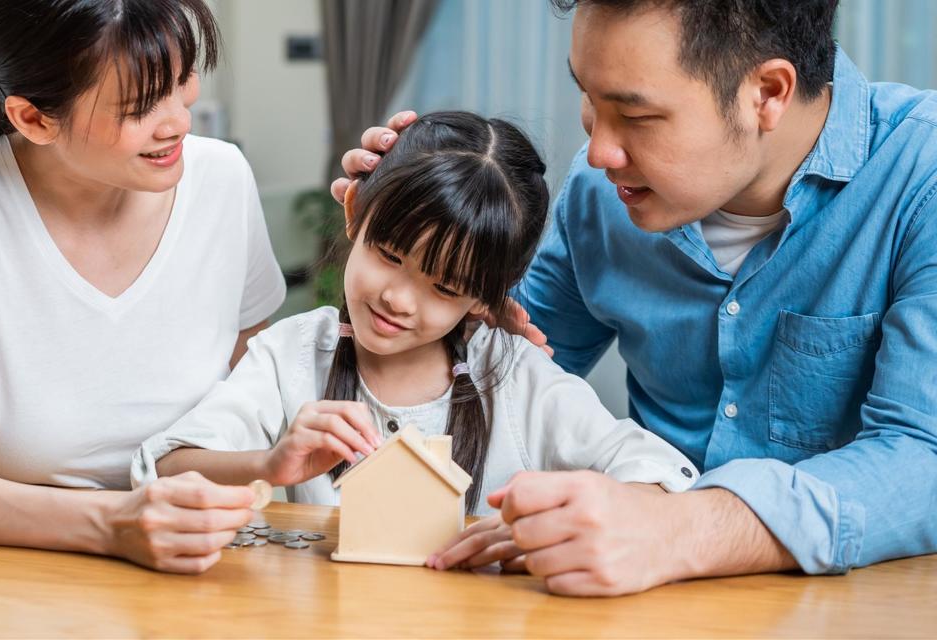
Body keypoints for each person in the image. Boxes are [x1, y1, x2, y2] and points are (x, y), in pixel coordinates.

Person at [333, 0, 937, 596]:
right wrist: (408, 239)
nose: (598, 153)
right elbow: (496, 370)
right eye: (590, 101)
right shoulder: (604, 194)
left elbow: (923, 459)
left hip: (856, 605)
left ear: (769, 93)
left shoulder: (921, 176)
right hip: (628, 602)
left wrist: (679, 528)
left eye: (635, 115)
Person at [130, 113, 699, 572]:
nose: (399, 298)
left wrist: (558, 522)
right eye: (389, 255)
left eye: (444, 285)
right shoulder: (292, 355)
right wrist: (271, 463)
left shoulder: (515, 374)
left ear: (482, 298)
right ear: (355, 213)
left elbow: (660, 474)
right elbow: (168, 468)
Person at [0, 0, 285, 573]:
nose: (179, 123)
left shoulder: (221, 179)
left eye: (181, 81)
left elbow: (249, 395)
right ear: (34, 120)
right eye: (142, 105)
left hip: (203, 564)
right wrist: (109, 525)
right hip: (13, 583)